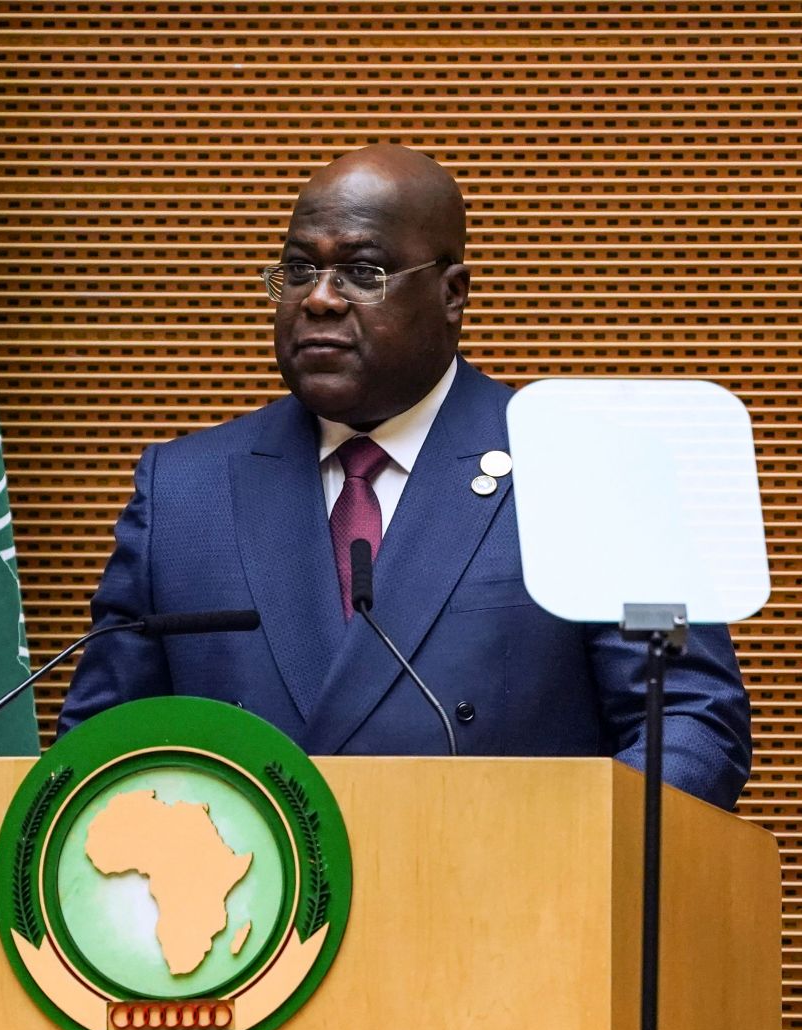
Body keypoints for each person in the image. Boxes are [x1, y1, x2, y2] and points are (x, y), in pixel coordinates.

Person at [58, 144, 750, 810]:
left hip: (512, 909)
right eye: (298, 270)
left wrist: (570, 854)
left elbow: (689, 724)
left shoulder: (588, 472)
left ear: (453, 295)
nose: (319, 300)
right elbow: (98, 755)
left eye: (362, 272)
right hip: (246, 919)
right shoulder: (186, 492)